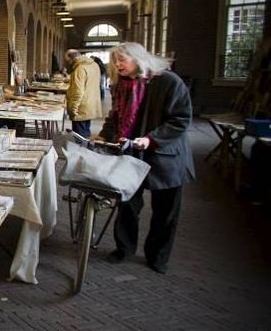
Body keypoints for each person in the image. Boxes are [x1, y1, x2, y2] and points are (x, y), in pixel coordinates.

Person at [100, 42, 195, 273]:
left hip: (166, 156)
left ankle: (158, 257)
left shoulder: (168, 82)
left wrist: (151, 139)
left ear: (138, 59)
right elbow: (116, 115)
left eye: (122, 59)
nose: (117, 64)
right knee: (127, 204)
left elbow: (180, 119)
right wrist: (105, 134)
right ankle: (124, 248)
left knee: (165, 210)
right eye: (115, 60)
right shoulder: (122, 85)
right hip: (133, 153)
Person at [64, 49, 103, 138]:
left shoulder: (79, 68)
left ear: (71, 59)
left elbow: (78, 92)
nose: (68, 64)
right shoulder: (94, 65)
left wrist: (73, 109)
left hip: (81, 107)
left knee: (79, 138)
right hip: (91, 104)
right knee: (86, 133)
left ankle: (80, 151)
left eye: (67, 61)